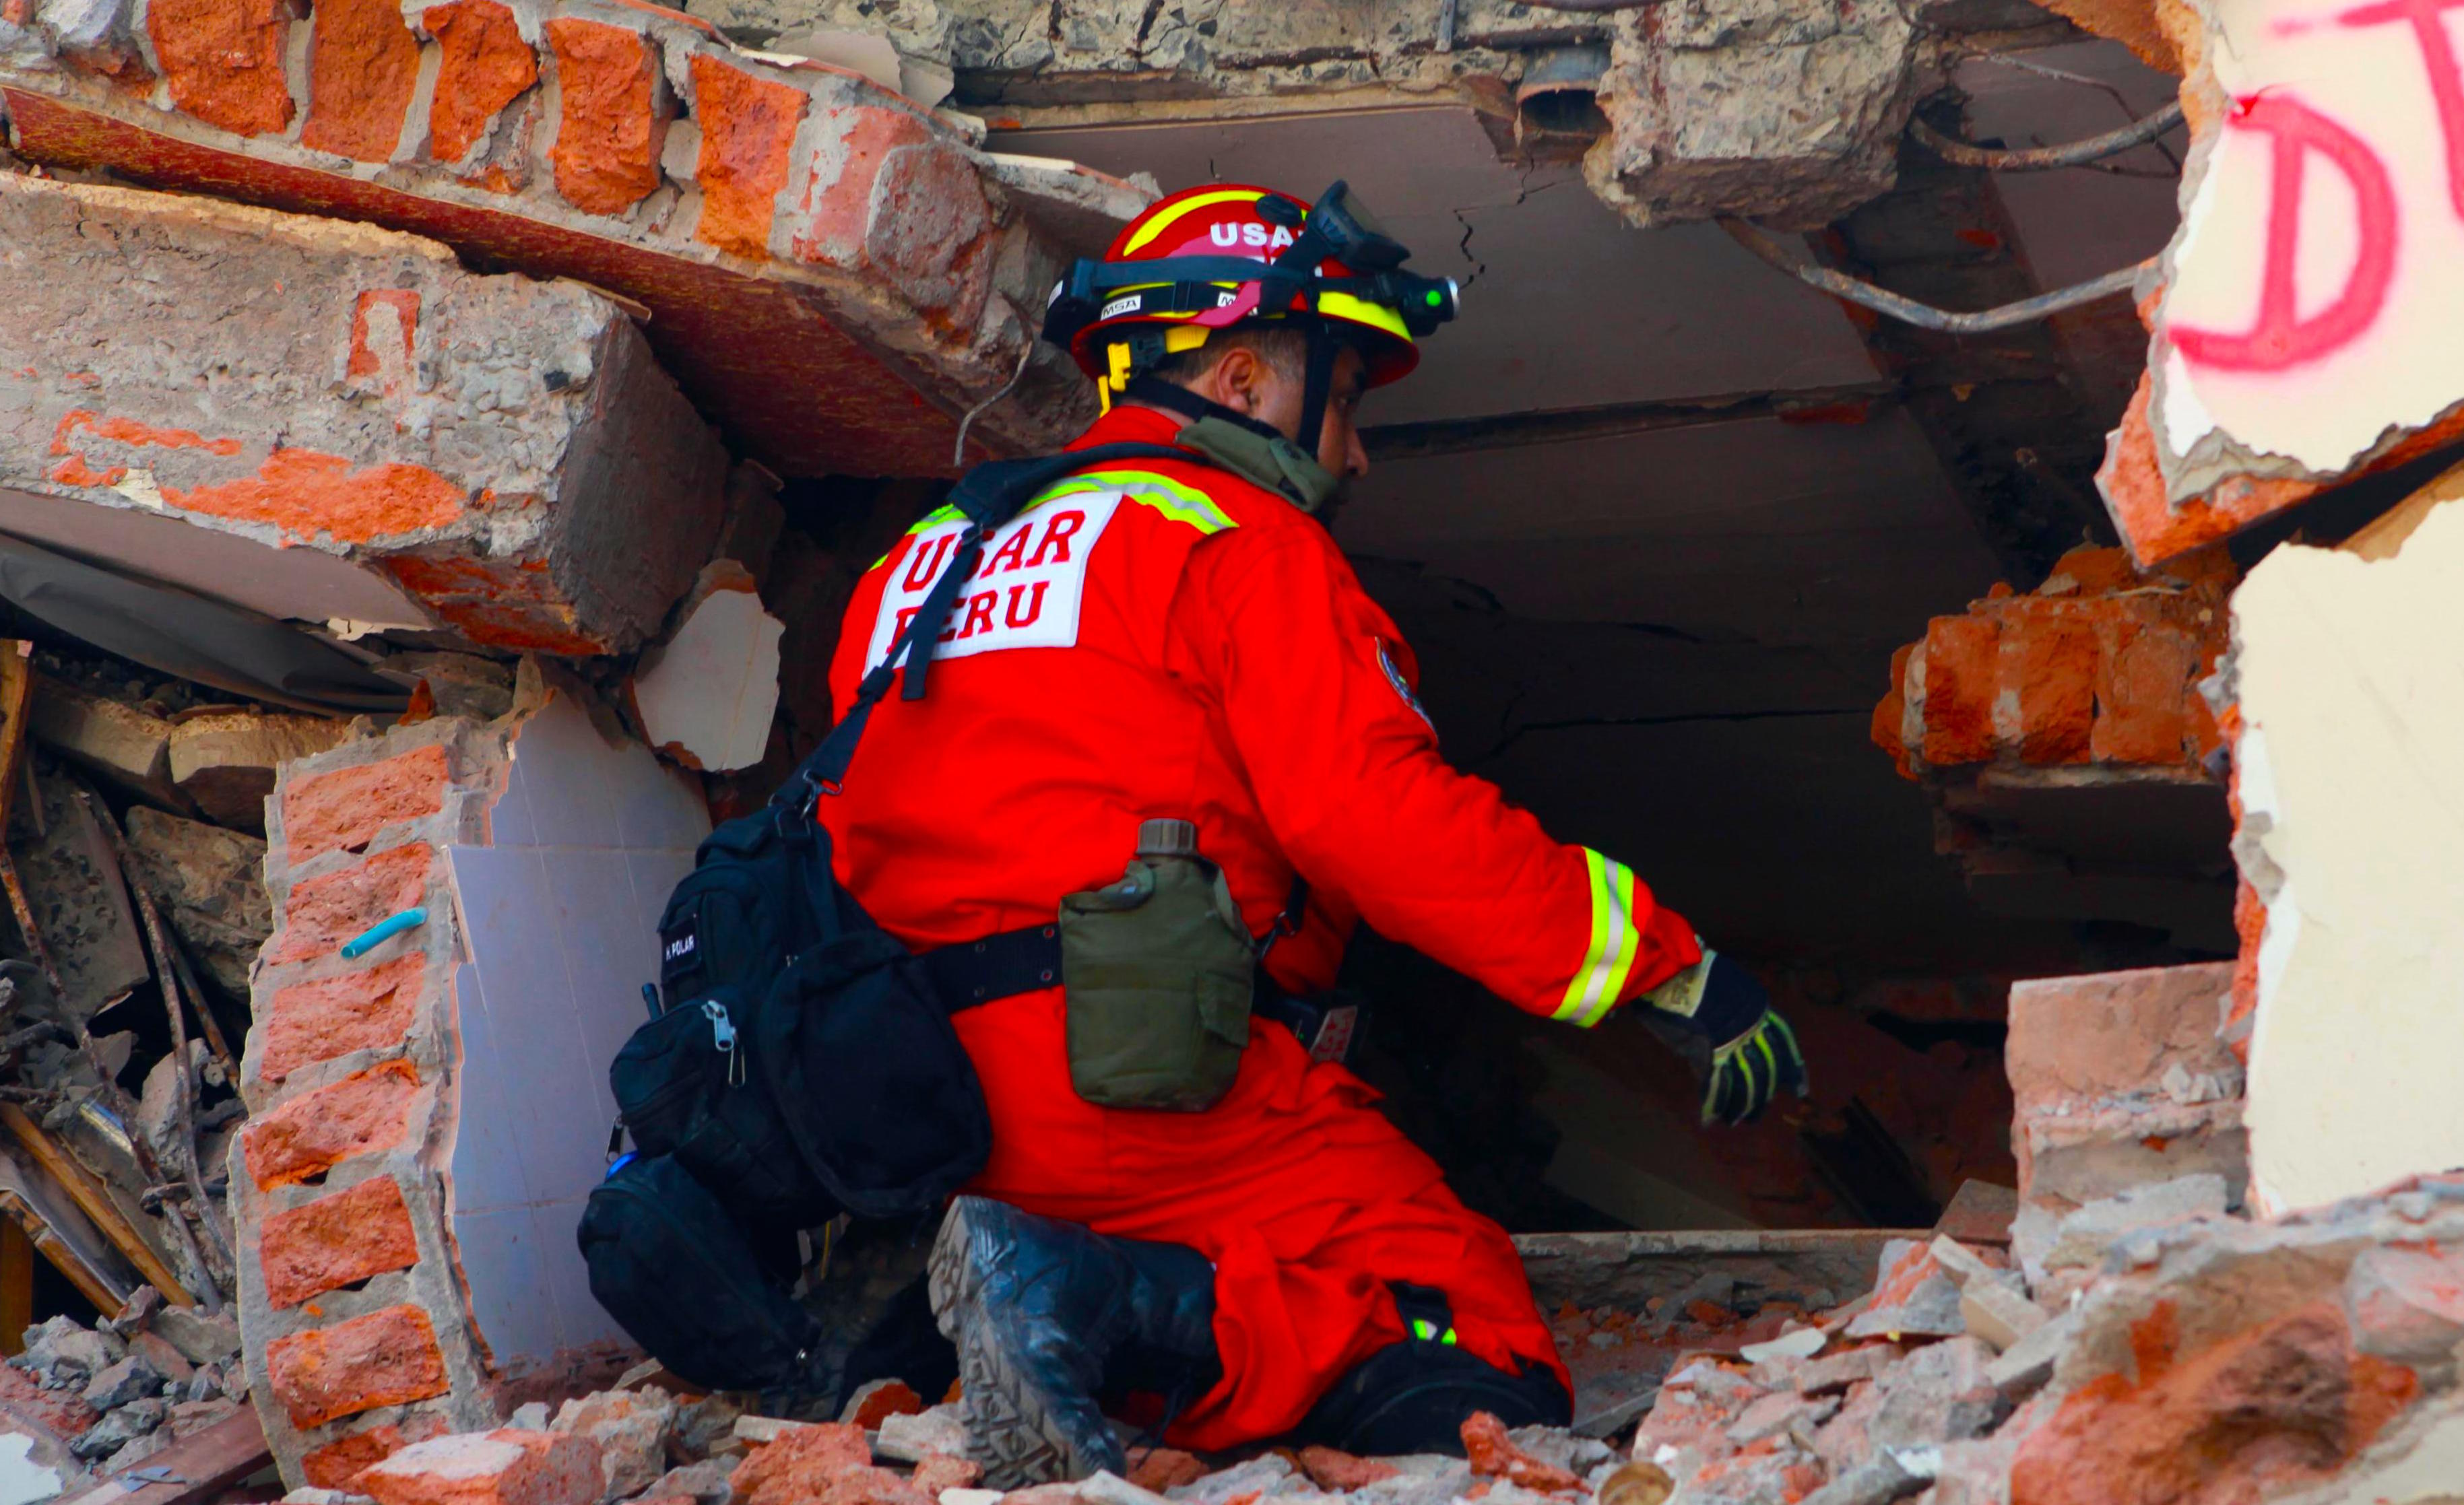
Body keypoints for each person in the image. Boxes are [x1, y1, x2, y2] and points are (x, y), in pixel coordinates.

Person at [816, 182, 1809, 1483]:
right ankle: (1088, 1300)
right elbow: (1375, 818)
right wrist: (1664, 966)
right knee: (1459, 1317)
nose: (1353, 453)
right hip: (1150, 1097)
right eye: (1343, 404)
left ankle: (963, 1332)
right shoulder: (1238, 540)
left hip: (910, 1102)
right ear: (1239, 376)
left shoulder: (919, 563)